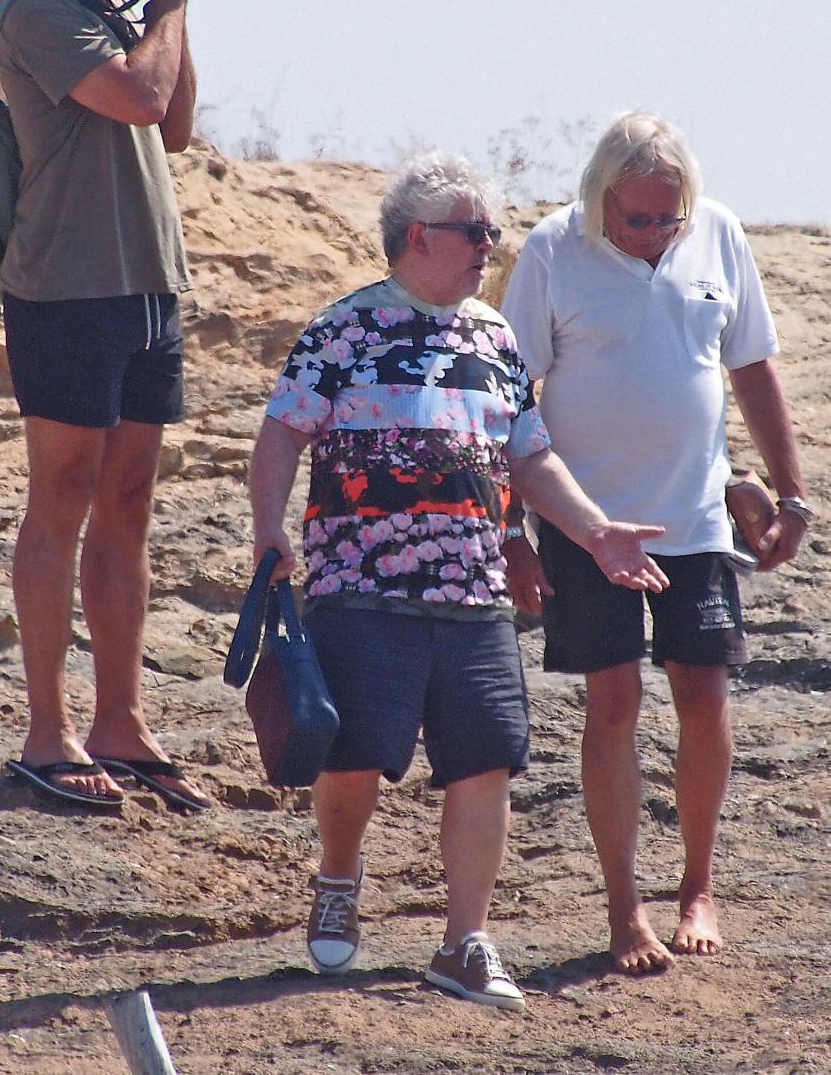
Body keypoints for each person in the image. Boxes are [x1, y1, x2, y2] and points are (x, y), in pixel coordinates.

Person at [248, 153, 669, 1010]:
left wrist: (593, 533)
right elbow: (282, 434)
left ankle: (464, 942)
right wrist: (268, 530)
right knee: (355, 754)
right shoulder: (343, 329)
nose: (491, 246)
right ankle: (338, 876)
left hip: (475, 593)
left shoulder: (494, 335)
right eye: (475, 232)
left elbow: (531, 453)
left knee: (485, 761)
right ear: (418, 237)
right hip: (358, 584)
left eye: (493, 232)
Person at [500, 111, 814, 974]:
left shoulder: (716, 235)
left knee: (705, 697)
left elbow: (751, 364)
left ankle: (699, 887)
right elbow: (505, 392)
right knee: (613, 704)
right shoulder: (552, 250)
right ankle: (623, 907)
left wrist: (791, 492)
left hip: (697, 518)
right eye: (635, 218)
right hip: (586, 525)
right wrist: (509, 530)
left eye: (666, 217)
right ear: (601, 199)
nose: (651, 234)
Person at [0, 0, 209, 811]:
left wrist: (171, 3)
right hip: (68, 289)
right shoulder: (38, 11)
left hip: (146, 288)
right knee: (65, 493)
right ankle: (50, 729)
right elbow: (137, 99)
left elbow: (174, 128)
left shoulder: (131, 18)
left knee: (128, 500)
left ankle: (120, 720)